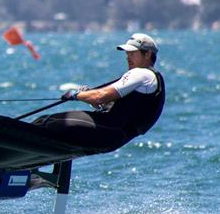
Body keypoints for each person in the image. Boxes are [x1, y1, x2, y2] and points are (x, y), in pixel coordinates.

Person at [33, 33, 165, 151]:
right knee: (47, 124)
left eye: (132, 53)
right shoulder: (152, 79)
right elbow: (111, 104)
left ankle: (18, 161)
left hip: (109, 130)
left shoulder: (141, 74)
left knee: (48, 122)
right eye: (127, 53)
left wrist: (75, 94)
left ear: (147, 54)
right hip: (114, 135)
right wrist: (90, 96)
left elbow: (100, 97)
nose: (127, 57)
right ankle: (30, 171)